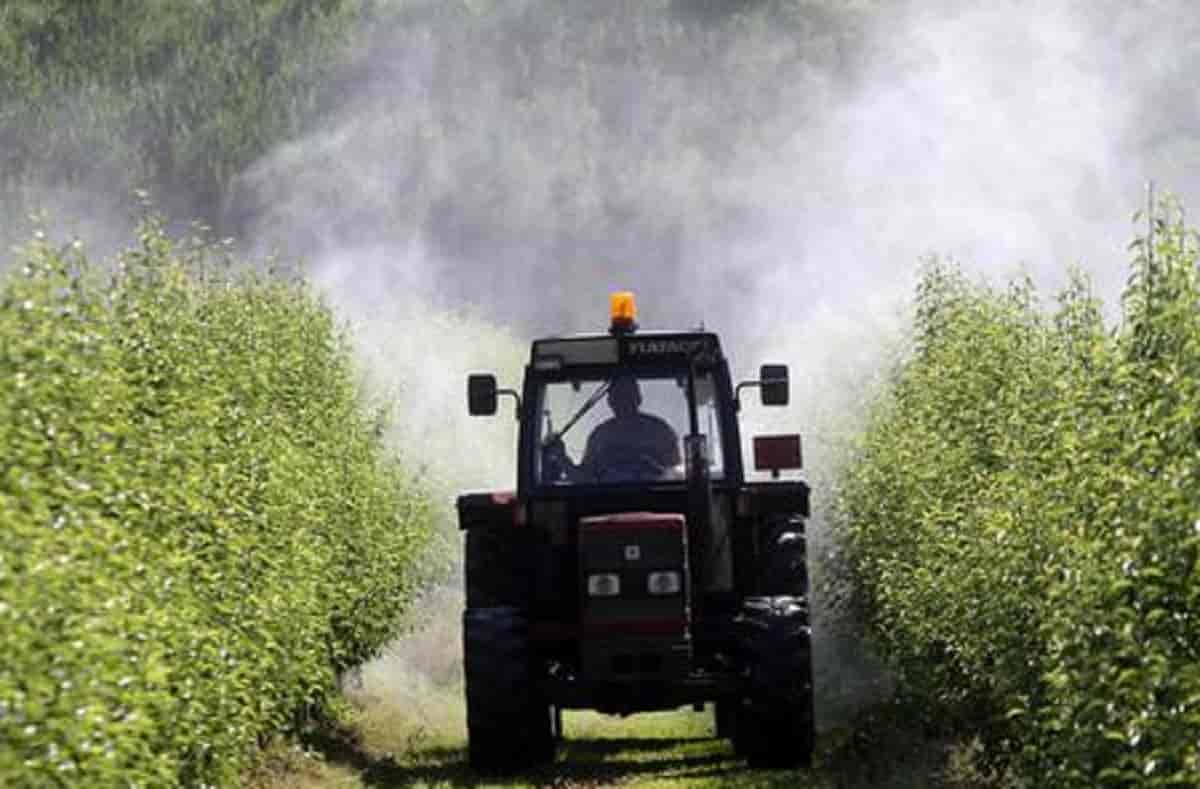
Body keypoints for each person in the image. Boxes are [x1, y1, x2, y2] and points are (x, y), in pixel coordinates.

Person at [546, 375, 681, 483]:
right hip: (606, 503)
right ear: (610, 402)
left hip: (657, 502)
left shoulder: (660, 431)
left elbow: (675, 475)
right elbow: (584, 479)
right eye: (619, 396)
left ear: (638, 398)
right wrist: (561, 457)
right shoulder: (600, 436)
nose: (623, 401)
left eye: (628, 395)